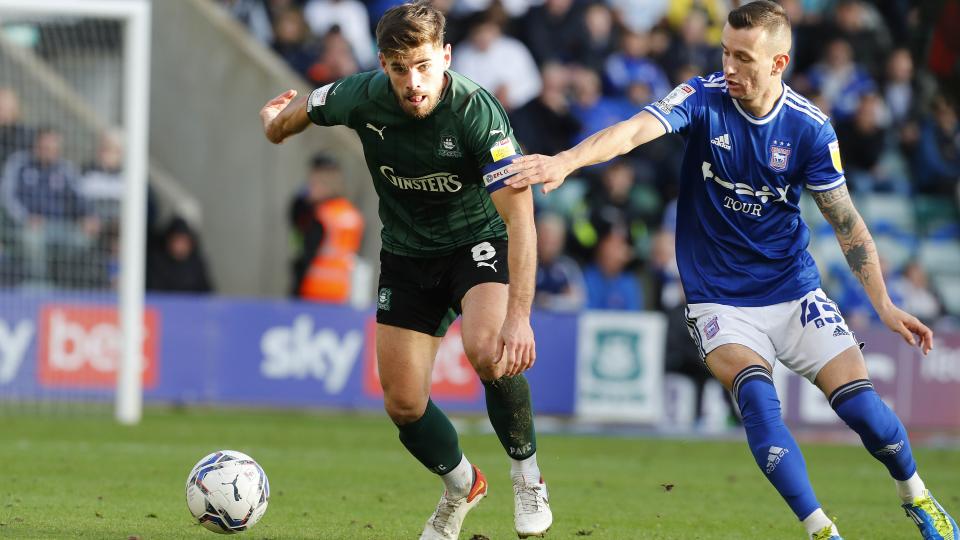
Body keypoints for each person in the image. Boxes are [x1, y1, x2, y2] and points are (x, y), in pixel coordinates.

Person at [504, 2, 957, 539]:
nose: (730, 67)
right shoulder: (703, 97)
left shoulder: (809, 129)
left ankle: (918, 496)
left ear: (778, 62)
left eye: (744, 58)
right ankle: (821, 530)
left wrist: (882, 303)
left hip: (792, 290)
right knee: (759, 405)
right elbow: (630, 132)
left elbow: (848, 223)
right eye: (725, 52)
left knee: (866, 413)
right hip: (719, 298)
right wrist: (564, 161)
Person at [258, 3, 552, 539]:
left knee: (489, 350)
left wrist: (521, 315)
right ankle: (463, 485)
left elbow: (522, 214)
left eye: (422, 65)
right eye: (399, 68)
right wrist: (275, 125)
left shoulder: (475, 112)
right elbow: (303, 110)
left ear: (445, 56)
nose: (412, 82)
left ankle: (527, 476)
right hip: (406, 253)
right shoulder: (361, 95)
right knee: (402, 402)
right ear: (382, 64)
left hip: (476, 242)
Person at [288, 153, 364, 302]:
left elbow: (305, 252)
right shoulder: (352, 214)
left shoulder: (321, 215)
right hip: (343, 292)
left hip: (313, 291)